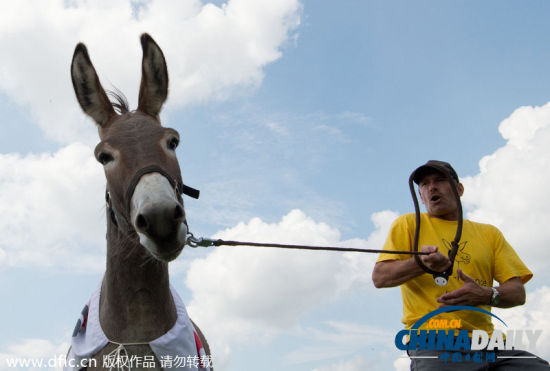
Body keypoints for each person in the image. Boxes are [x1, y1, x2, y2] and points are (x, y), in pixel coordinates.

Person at [371, 160, 549, 370]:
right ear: (421, 197)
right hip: (435, 341)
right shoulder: (409, 224)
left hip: (489, 343)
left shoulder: (489, 234)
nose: (432, 187)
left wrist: (485, 294)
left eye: (439, 180)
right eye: (425, 184)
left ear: (459, 189)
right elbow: (380, 277)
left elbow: (518, 293)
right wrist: (422, 263)